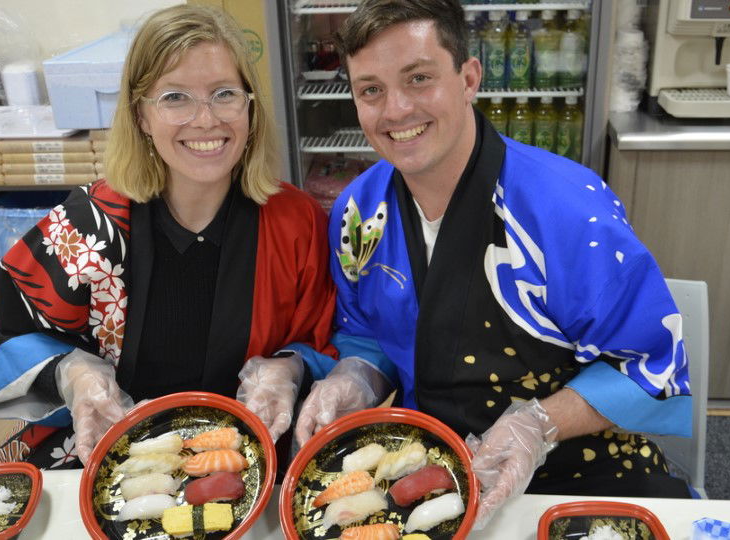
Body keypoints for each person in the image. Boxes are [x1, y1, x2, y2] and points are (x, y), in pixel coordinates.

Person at [294, 0, 693, 528]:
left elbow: (649, 369)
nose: (394, 111)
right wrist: (355, 377)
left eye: (418, 79)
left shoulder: (568, 211)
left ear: (469, 77)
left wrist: (539, 424)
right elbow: (368, 330)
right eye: (371, 90)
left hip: (576, 468)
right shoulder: (359, 211)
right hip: (434, 464)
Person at [0, 4, 336, 468]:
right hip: (113, 447)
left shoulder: (297, 221)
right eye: (174, 98)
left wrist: (290, 366)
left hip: (252, 450)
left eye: (224, 93)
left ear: (250, 106)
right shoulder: (87, 224)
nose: (205, 120)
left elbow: (324, 338)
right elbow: (15, 329)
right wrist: (73, 371)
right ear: (141, 115)